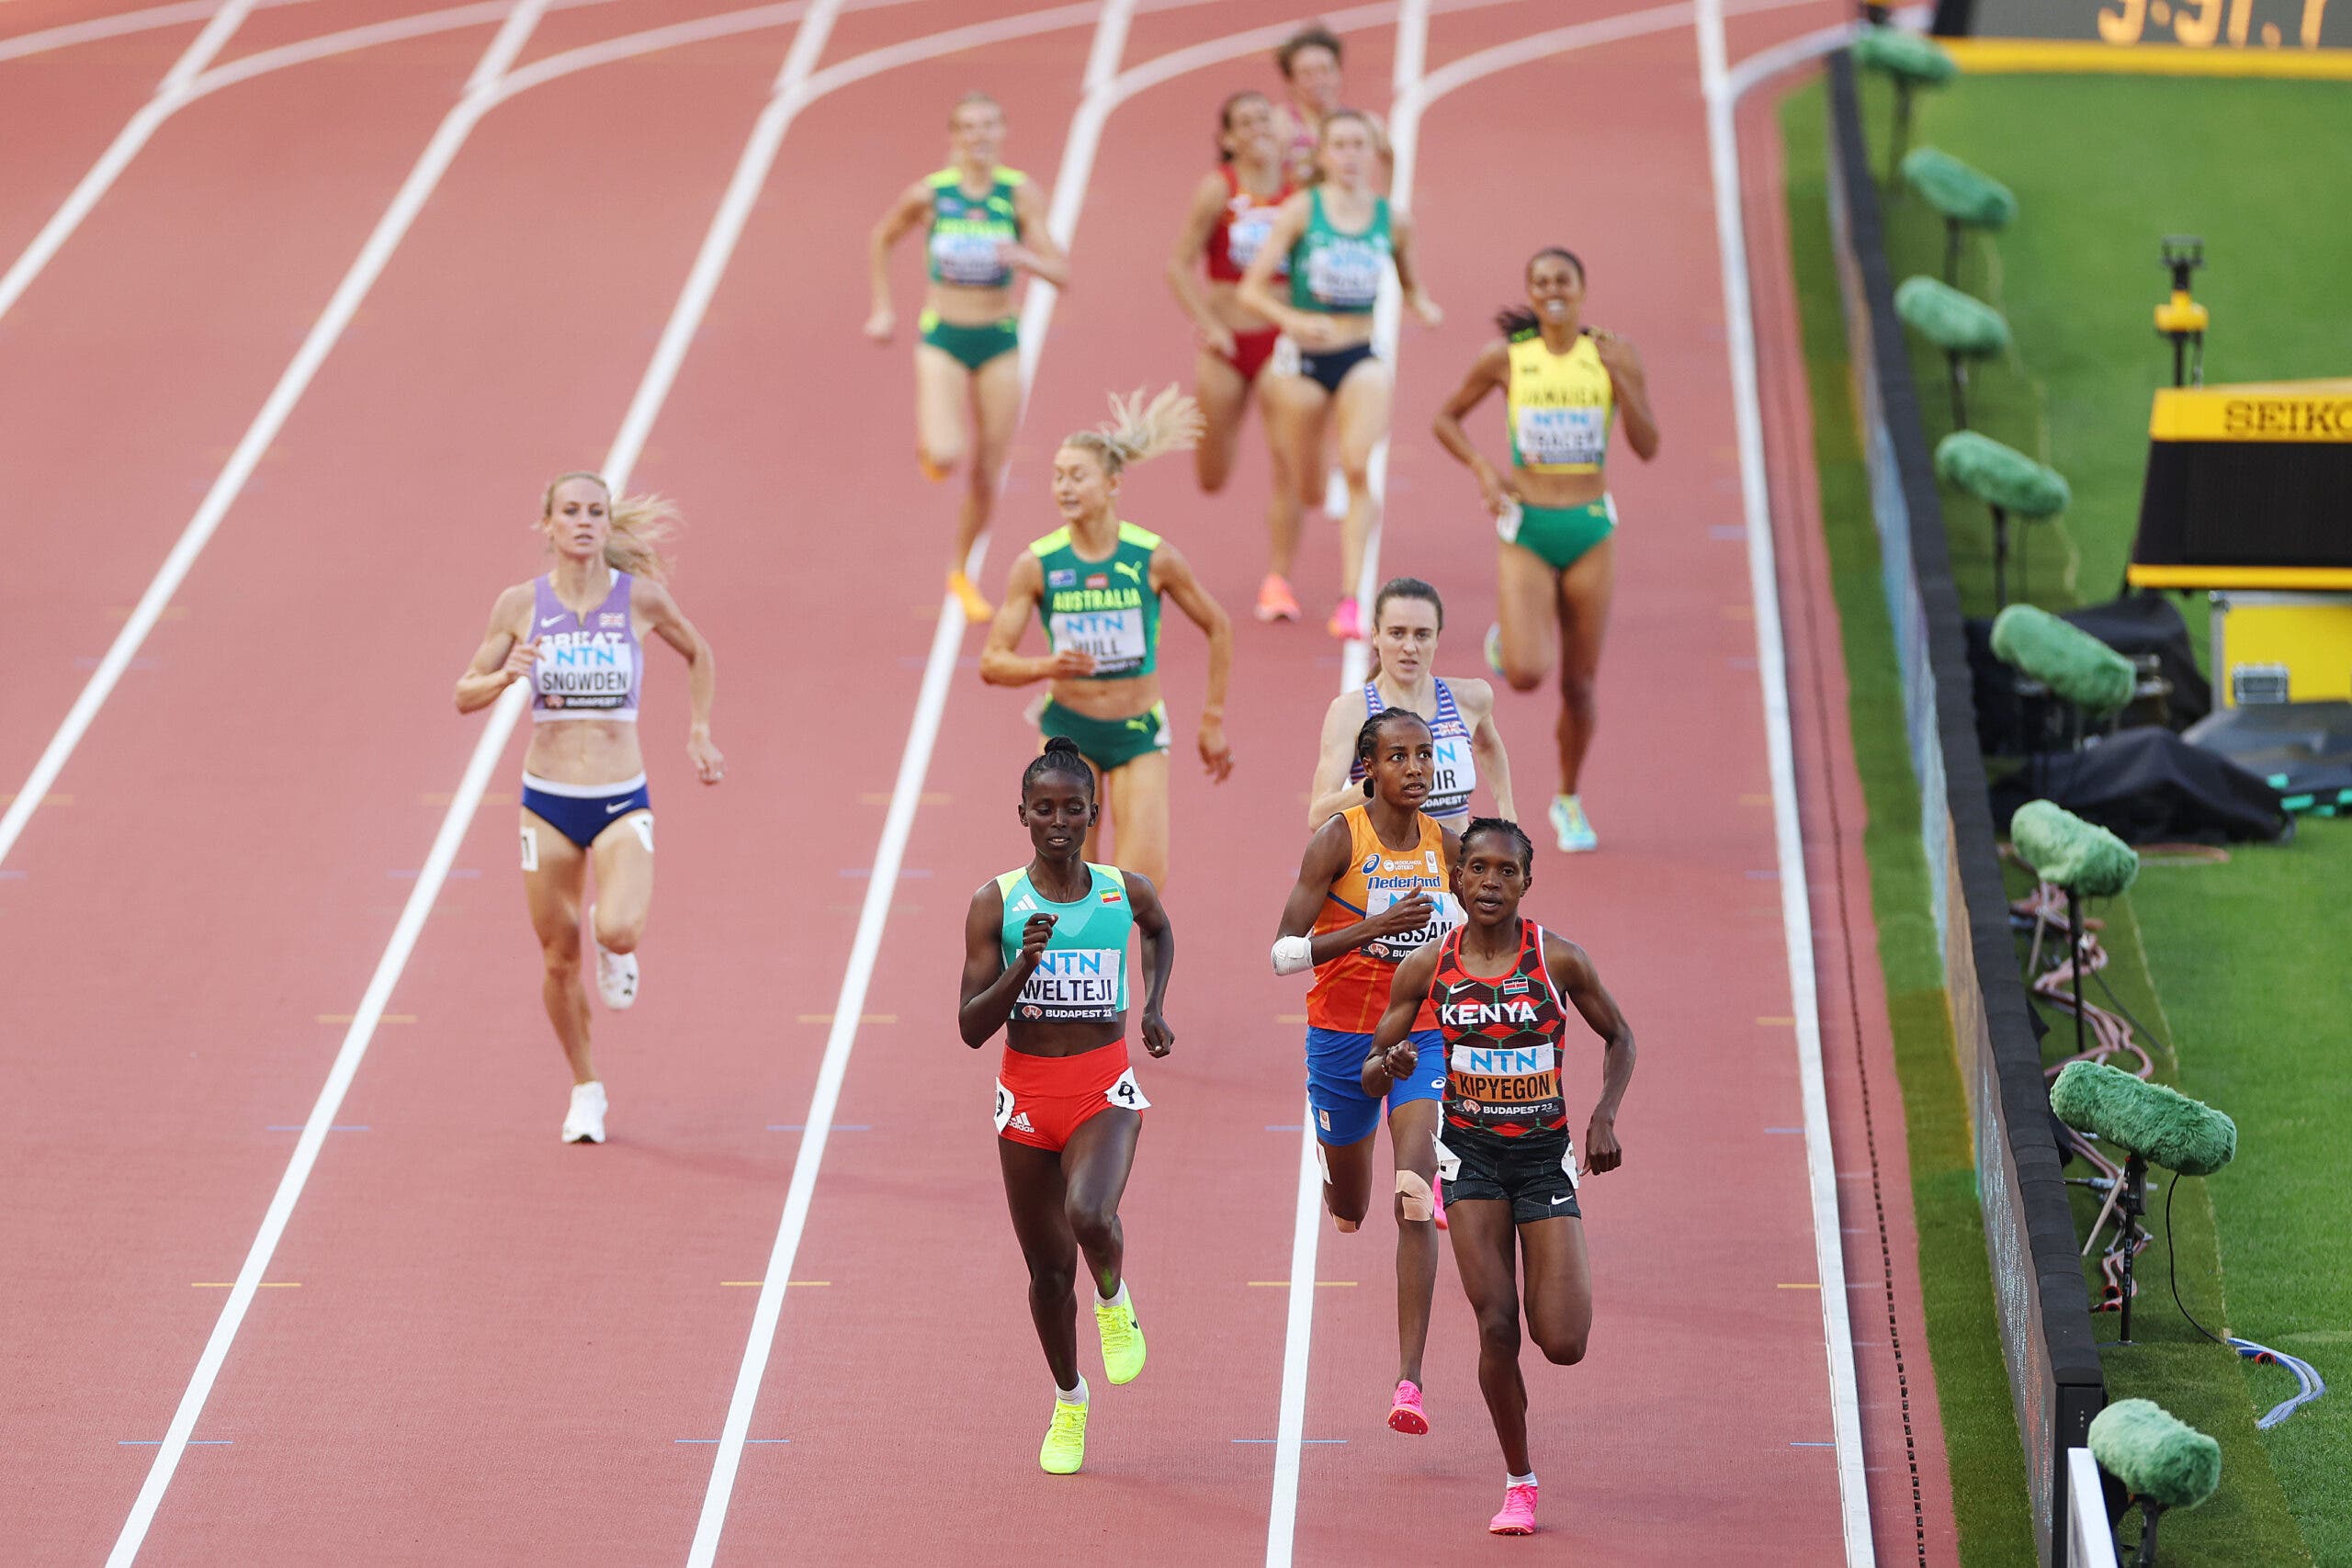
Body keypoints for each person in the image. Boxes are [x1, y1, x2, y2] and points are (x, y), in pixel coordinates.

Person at [1366, 816, 1636, 1536]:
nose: (1490, 881)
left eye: (1505, 871)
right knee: (1496, 1325)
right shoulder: (1428, 965)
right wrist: (1388, 1066)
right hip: (1472, 1161)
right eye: (1477, 868)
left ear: (1526, 880)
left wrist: (1604, 1113)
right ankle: (1520, 1479)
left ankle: (1555, 1293)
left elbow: (1621, 1036)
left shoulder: (1558, 960)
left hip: (1544, 1161)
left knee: (1564, 1341)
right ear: (1457, 878)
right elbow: (1375, 1062)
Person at [453, 473, 722, 1145]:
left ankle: (614, 940)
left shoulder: (642, 599)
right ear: (547, 524)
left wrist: (698, 729)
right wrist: (504, 673)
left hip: (620, 793)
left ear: (607, 525)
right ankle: (586, 1086)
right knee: (556, 957)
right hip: (545, 801)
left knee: (621, 929)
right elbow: (464, 692)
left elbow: (699, 652)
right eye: (570, 511)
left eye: (594, 512)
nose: (583, 521)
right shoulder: (520, 605)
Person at [960, 735, 1176, 1476]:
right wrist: (1023, 964)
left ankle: (1114, 1300)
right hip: (1024, 1098)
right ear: (1022, 812)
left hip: (1101, 1088)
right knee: (1049, 1276)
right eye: (1044, 808)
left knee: (1090, 1214)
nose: (1059, 820)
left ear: (1093, 814)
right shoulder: (997, 902)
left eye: (1073, 808)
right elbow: (969, 1028)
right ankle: (1069, 1399)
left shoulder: (1124, 890)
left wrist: (1154, 1005)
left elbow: (1159, 928)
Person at [1272, 706, 1461, 1435]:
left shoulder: (1449, 845)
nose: (1416, 769)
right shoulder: (1337, 841)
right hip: (1340, 1039)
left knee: (1414, 1191)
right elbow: (1283, 952)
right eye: (1399, 756)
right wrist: (1371, 928)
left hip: (1419, 1034)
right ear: (1368, 768)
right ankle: (1335, 1165)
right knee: (1349, 1210)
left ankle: (1408, 1381)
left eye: (1425, 755)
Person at [1431, 248, 1659, 852]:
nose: (1551, 289)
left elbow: (1648, 444)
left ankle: (1567, 798)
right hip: (1527, 525)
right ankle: (1509, 640)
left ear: (1582, 288)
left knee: (1579, 685)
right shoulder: (1508, 358)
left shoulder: (1613, 353)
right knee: (1529, 673)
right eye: (1540, 282)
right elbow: (1446, 418)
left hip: (1588, 528)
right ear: (1529, 293)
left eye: (1562, 280)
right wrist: (1483, 468)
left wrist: (1623, 381)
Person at [979, 388, 1235, 889]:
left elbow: (1218, 627)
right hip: (1068, 735)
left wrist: (1212, 720)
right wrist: (1049, 666)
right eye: (1057, 476)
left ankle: (1120, 964)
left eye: (1078, 475)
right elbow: (993, 662)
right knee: (1066, 879)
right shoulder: (1038, 565)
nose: (1064, 487)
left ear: (1113, 482)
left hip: (1138, 731)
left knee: (1139, 884)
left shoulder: (1152, 557)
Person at [865, 91, 1070, 624]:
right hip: (944, 338)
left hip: (999, 339)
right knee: (948, 453)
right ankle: (932, 445)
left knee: (986, 471)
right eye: (969, 128)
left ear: (1002, 133)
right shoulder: (930, 196)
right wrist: (883, 309)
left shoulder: (1019, 194)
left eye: (989, 126)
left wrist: (1023, 256)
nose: (979, 136)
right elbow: (882, 238)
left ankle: (960, 570)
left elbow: (1061, 272)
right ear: (953, 137)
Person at [1238, 110, 1441, 641]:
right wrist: (1293, 319)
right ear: (1323, 155)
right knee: (1299, 482)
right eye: (1341, 145)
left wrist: (1424, 305)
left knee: (1355, 468)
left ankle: (1352, 600)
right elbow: (1252, 289)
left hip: (1360, 357)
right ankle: (1278, 578)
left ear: (1372, 155)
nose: (1351, 155)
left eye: (1360, 145)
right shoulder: (1303, 210)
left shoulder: (1391, 220)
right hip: (1301, 362)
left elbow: (1410, 281)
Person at [1163, 89, 1311, 623]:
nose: (1254, 128)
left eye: (1262, 118)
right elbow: (1178, 266)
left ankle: (1278, 579)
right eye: (1242, 122)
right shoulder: (1217, 191)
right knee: (1212, 476)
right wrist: (1209, 325)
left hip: (1280, 343)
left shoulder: (1302, 192)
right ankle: (1276, 571)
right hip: (1227, 344)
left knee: (1286, 458)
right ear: (1228, 138)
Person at [1307, 575, 1514, 832]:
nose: (1409, 647)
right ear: (1375, 635)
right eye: (1397, 633)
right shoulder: (1351, 712)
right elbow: (1318, 816)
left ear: (1437, 638)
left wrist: (1509, 821)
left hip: (1452, 868)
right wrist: (1374, 784)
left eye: (1422, 635)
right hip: (1387, 870)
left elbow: (1488, 746)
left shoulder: (1471, 699)